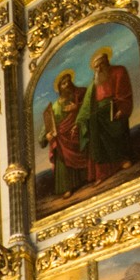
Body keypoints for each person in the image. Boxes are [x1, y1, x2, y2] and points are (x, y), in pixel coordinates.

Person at [76, 48, 135, 182]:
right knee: (96, 135)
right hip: (97, 115)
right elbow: (87, 104)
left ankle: (122, 160)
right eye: (96, 67)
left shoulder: (119, 71)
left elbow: (124, 92)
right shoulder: (94, 83)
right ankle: (102, 172)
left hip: (114, 108)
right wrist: (79, 121)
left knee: (116, 135)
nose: (99, 68)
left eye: (101, 64)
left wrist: (122, 108)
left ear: (107, 62)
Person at [38, 70, 88, 198]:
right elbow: (47, 126)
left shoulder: (79, 96)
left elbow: (89, 105)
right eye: (63, 83)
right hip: (61, 138)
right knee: (61, 157)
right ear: (59, 88)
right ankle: (67, 187)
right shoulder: (55, 107)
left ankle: (88, 177)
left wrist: (77, 107)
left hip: (77, 132)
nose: (67, 85)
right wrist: (46, 136)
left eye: (68, 82)